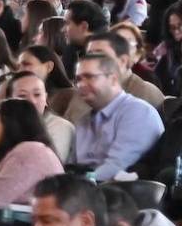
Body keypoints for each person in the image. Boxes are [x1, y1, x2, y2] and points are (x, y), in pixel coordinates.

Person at [69, 50, 161, 181]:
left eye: (89, 77)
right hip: (86, 192)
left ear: (113, 79)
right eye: (78, 79)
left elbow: (117, 168)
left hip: (123, 195)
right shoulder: (84, 121)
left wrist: (81, 180)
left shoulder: (138, 112)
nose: (81, 85)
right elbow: (74, 165)